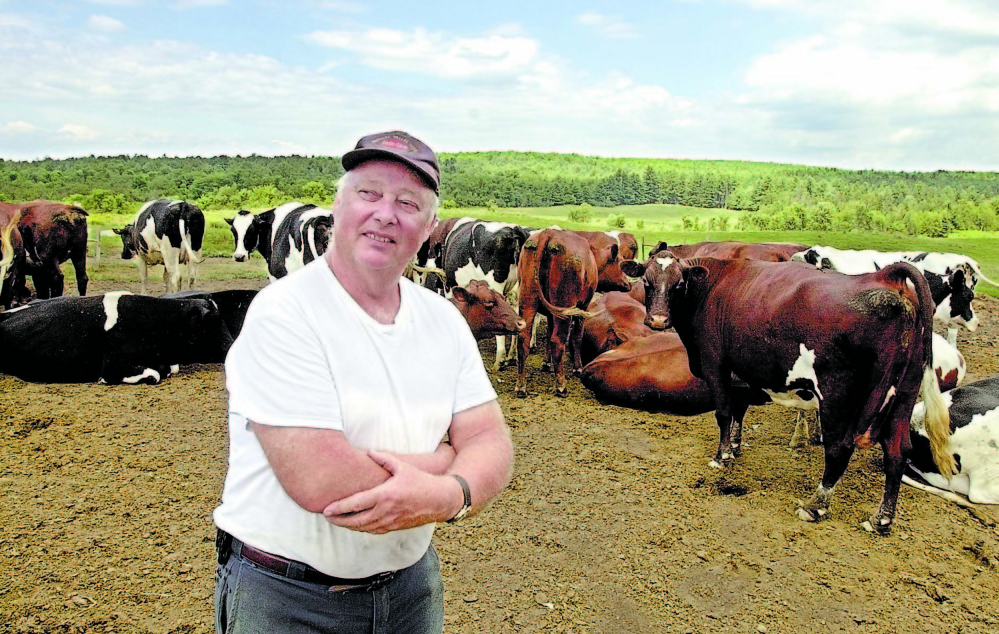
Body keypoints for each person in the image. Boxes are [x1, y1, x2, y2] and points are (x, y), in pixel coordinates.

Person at [213, 130, 515, 634]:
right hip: (288, 600)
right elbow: (320, 480)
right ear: (338, 206)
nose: (385, 213)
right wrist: (445, 462)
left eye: (408, 202)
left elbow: (490, 442)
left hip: (409, 591)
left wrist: (452, 495)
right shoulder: (284, 313)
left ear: (430, 227)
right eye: (368, 193)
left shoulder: (442, 319)